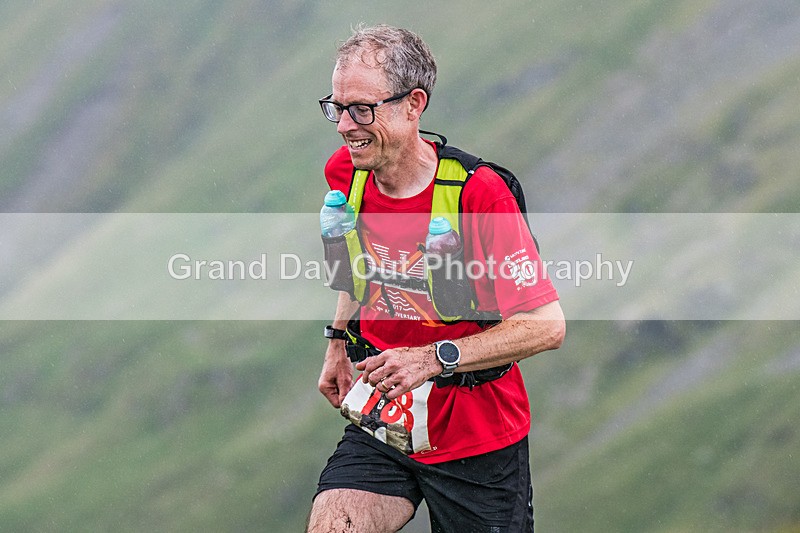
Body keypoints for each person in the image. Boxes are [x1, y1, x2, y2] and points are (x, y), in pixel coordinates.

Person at [308, 24, 565, 533]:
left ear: (413, 104)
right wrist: (337, 343)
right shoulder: (346, 172)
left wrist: (431, 358)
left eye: (362, 109)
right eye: (337, 108)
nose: (344, 126)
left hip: (478, 437)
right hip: (386, 416)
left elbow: (546, 325)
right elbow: (354, 263)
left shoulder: (480, 195)